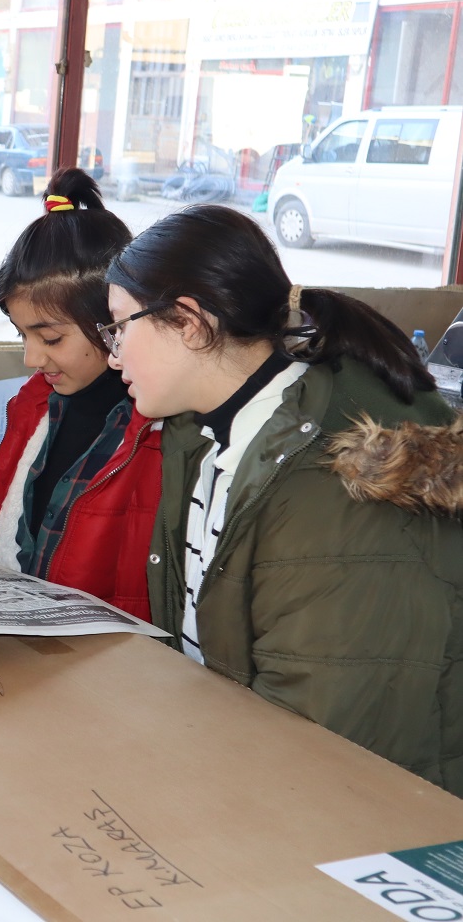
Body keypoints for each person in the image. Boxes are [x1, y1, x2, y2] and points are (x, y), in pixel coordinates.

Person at [104, 203, 463, 794]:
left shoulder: (329, 491)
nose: (113, 354)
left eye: (120, 326)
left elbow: (320, 755)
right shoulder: (206, 435)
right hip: (245, 775)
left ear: (189, 321)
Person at [0, 170, 157, 620]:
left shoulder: (155, 432)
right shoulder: (33, 405)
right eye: (22, 336)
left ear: (111, 321)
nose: (33, 359)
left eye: (51, 339)